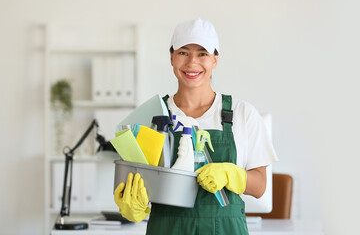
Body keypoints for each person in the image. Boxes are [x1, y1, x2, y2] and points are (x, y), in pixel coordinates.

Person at [114, 18, 278, 235]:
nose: (192, 62)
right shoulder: (153, 116)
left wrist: (231, 174)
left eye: (202, 53)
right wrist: (132, 206)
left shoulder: (242, 114)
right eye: (183, 52)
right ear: (172, 57)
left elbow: (259, 187)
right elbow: (135, 183)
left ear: (215, 60)